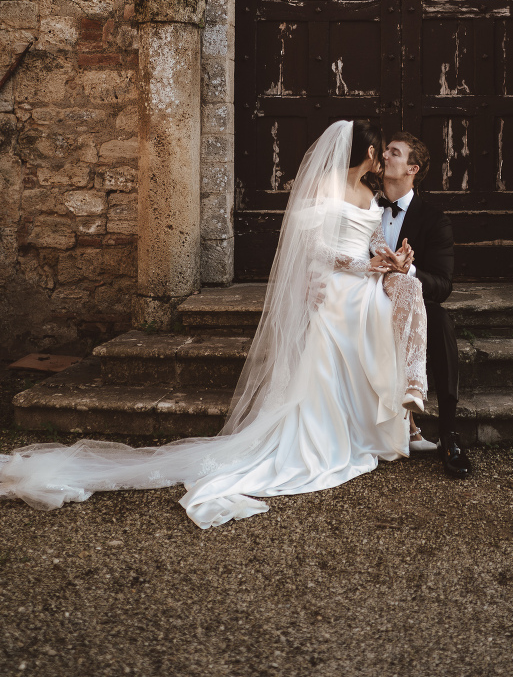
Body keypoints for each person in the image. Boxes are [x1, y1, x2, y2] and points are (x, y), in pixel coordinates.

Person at [0, 120, 428, 528]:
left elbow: (372, 236)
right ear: (368, 152)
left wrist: (388, 257)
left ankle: (381, 416)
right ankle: (340, 430)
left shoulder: (368, 189)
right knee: (353, 321)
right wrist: (363, 265)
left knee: (392, 305)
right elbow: (313, 247)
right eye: (381, 151)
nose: (382, 158)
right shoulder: (322, 186)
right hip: (335, 282)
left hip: (362, 278)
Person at [373, 133, 472, 480]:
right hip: (364, 297)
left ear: (412, 169)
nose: (385, 155)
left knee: (440, 320)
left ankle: (448, 432)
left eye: (394, 152)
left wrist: (408, 271)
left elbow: (443, 285)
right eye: (385, 150)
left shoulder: (434, 220)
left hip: (409, 302)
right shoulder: (363, 206)